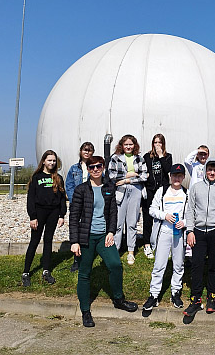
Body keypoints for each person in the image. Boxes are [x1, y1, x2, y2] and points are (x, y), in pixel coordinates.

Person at [69, 156, 138, 327]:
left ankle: (118, 299)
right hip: (86, 237)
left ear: (103, 167)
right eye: (91, 167)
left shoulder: (109, 188)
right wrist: (75, 241)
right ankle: (85, 310)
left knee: (115, 265)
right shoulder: (81, 190)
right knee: (85, 272)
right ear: (88, 169)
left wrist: (111, 232)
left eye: (98, 166)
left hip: (103, 236)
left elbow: (113, 212)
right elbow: (74, 217)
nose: (95, 169)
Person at [142, 164, 188, 312]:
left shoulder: (186, 193)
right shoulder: (162, 191)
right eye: (175, 175)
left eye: (180, 176)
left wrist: (184, 222)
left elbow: (190, 214)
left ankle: (176, 292)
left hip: (179, 233)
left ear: (183, 177)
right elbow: (152, 210)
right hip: (164, 232)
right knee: (159, 264)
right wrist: (165, 216)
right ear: (170, 176)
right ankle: (154, 295)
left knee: (179, 264)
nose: (177, 178)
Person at [183, 160, 215, 317]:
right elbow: (190, 210)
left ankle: (211, 297)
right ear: (205, 171)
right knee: (197, 265)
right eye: (210, 170)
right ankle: (195, 299)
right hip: (198, 231)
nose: (212, 173)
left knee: (214, 265)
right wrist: (190, 231)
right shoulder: (196, 187)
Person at [23, 150, 67, 287]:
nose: (52, 163)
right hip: (39, 212)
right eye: (49, 160)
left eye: (54, 161)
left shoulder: (58, 178)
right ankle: (26, 272)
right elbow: (30, 199)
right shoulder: (36, 177)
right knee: (34, 241)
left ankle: (46, 271)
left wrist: (62, 215)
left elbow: (61, 199)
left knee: (48, 241)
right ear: (43, 161)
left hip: (53, 213)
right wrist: (33, 216)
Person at [108, 134, 148, 264]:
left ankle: (131, 251)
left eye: (131, 144)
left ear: (134, 145)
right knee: (118, 223)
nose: (128, 147)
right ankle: (116, 250)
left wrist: (127, 179)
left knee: (132, 222)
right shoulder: (115, 158)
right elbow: (112, 175)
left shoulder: (139, 158)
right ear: (122, 145)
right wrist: (130, 174)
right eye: (126, 144)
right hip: (120, 192)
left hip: (135, 191)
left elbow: (144, 176)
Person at [142, 133, 172, 261]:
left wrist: (161, 156)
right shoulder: (146, 157)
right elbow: (143, 172)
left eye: (160, 142)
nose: (157, 145)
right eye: (155, 142)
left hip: (163, 190)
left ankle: (161, 242)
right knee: (148, 216)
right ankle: (147, 244)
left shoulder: (167, 156)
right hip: (150, 190)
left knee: (162, 216)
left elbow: (168, 170)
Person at [66, 142, 94, 273]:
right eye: (85, 150)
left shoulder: (94, 167)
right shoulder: (73, 168)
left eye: (89, 150)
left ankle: (87, 258)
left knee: (87, 230)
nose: (87, 152)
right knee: (76, 230)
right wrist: (74, 200)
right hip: (77, 203)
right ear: (81, 151)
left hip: (89, 203)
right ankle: (76, 260)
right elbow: (69, 185)